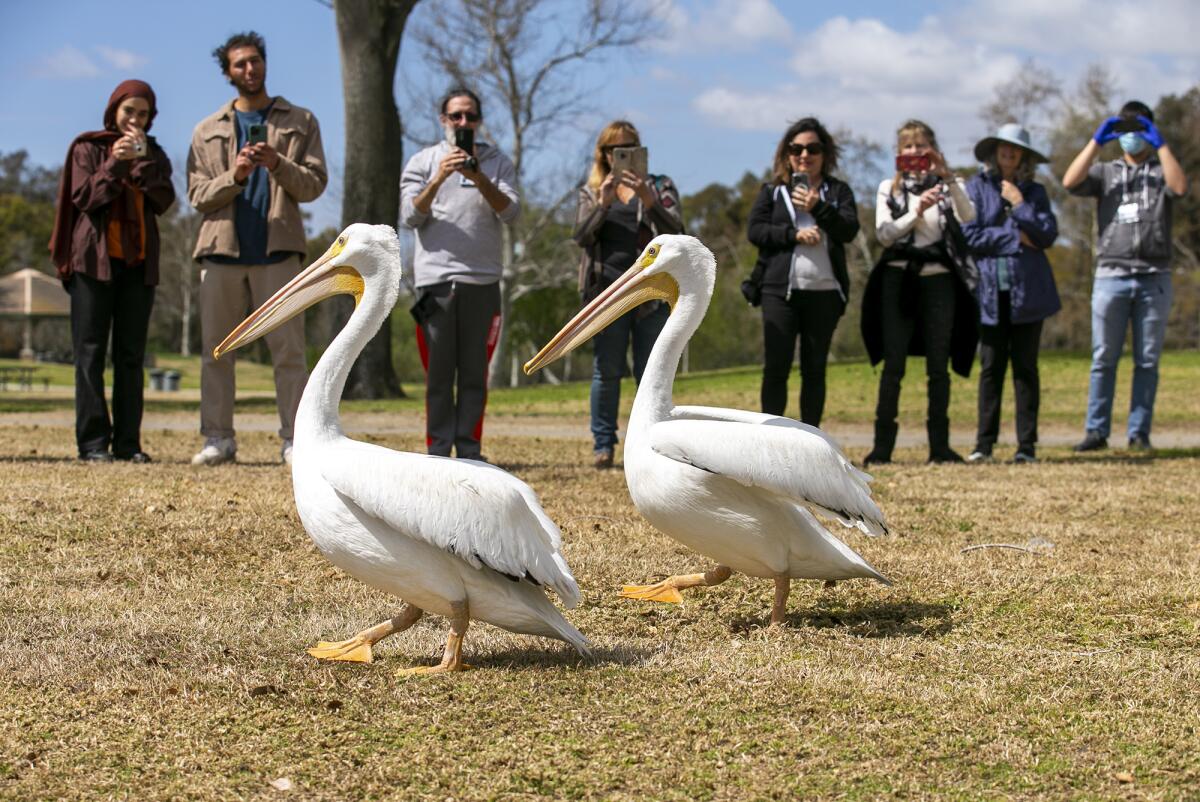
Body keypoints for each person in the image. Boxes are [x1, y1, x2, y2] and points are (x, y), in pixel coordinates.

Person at [187, 31, 327, 467]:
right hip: (221, 253)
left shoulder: (300, 120)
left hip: (279, 251)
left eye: (255, 61)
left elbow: (314, 186)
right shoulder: (206, 130)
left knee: (289, 352)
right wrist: (238, 173)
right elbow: (197, 196)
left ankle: (294, 441)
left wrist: (277, 163)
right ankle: (218, 439)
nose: (249, 69)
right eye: (240, 64)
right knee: (217, 350)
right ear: (228, 72)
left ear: (264, 63)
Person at [49, 80, 175, 463]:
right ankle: (91, 444)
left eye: (143, 114)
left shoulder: (154, 153)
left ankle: (127, 444)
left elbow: (165, 199)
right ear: (113, 111)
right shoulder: (87, 148)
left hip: (138, 264)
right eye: (129, 111)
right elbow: (86, 197)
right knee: (89, 353)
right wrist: (116, 162)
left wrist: (141, 163)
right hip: (93, 264)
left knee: (131, 355)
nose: (135, 119)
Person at [401, 86, 520, 460]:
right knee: (437, 375)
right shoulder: (422, 162)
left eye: (470, 116)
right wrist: (438, 178)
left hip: (482, 282)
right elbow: (408, 216)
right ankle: (438, 450)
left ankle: (469, 450)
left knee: (474, 374)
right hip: (434, 285)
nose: (463, 122)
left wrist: (479, 177)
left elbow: (511, 212)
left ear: (479, 121)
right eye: (456, 116)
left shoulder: (497, 162)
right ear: (443, 121)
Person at [1062, 100, 1189, 453]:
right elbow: (1070, 181)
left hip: (1154, 276)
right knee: (1104, 357)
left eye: (1140, 129)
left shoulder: (1161, 170)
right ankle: (1096, 431)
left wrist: (1161, 143)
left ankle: (1139, 433)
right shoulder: (1105, 172)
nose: (1132, 136)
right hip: (1111, 275)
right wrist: (1096, 140)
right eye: (1126, 130)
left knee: (1147, 359)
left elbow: (1179, 188)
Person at [861, 119, 978, 465]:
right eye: (907, 146)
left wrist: (949, 177)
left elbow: (968, 215)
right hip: (899, 279)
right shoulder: (889, 188)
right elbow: (885, 234)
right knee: (893, 363)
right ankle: (882, 447)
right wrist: (917, 210)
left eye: (921, 145)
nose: (914, 152)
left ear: (933, 149)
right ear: (898, 153)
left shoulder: (946, 185)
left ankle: (939, 446)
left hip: (939, 280)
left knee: (938, 366)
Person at [572, 120, 683, 468]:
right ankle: (603, 444)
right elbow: (581, 237)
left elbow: (676, 232)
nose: (623, 155)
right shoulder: (591, 190)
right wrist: (603, 204)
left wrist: (650, 201)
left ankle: (652, 441)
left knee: (651, 369)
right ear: (603, 154)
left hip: (651, 291)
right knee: (606, 371)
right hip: (605, 293)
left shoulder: (660, 185)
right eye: (615, 149)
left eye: (631, 147)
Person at [746, 117, 858, 427]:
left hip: (824, 293)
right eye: (796, 149)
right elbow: (755, 231)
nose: (804, 155)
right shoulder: (772, 192)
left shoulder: (838, 192)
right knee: (776, 367)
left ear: (825, 153)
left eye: (813, 148)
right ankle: (770, 439)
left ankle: (811, 441)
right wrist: (794, 234)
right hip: (779, 292)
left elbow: (849, 230)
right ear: (786, 153)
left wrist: (818, 207)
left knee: (814, 369)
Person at [962, 124, 1060, 464]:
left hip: (1028, 293)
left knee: (1025, 370)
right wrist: (1016, 237)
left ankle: (1026, 447)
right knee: (991, 369)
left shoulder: (1034, 191)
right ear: (995, 151)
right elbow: (970, 236)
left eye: (1016, 149)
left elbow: (1047, 235)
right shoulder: (975, 188)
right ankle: (983, 445)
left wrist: (1020, 207)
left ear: (1024, 156)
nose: (1009, 152)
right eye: (1004, 146)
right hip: (989, 292)